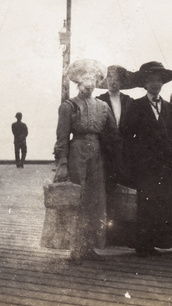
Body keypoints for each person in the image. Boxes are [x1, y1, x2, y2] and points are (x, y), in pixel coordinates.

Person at [46, 59, 120, 265]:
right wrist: (62, 162)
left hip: (97, 155)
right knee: (76, 198)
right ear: (79, 83)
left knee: (94, 199)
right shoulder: (69, 106)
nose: (90, 85)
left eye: (93, 81)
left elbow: (113, 133)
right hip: (76, 153)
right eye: (86, 81)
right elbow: (62, 137)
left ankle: (88, 246)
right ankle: (75, 249)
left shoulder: (103, 106)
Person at [121, 61, 172, 257]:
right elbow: (126, 136)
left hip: (165, 165)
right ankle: (142, 245)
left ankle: (156, 242)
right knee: (145, 203)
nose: (155, 84)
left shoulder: (169, 107)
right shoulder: (135, 106)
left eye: (159, 80)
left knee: (162, 201)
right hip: (144, 165)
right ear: (144, 84)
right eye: (151, 80)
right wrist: (134, 161)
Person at [96, 65, 135, 245]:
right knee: (107, 192)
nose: (113, 82)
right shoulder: (99, 100)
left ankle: (124, 236)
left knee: (126, 192)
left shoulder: (129, 101)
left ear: (122, 82)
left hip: (126, 153)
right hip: (106, 153)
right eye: (110, 78)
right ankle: (107, 236)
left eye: (117, 79)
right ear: (105, 81)